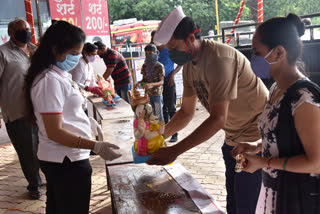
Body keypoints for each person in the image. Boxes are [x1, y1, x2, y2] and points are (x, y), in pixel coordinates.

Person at [147, 6, 268, 214]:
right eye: (167, 48)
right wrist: (157, 135)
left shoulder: (219, 58)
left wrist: (174, 150)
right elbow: (186, 112)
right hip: (233, 139)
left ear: (191, 37)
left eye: (173, 46)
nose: (171, 52)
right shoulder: (189, 67)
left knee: (247, 205)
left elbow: (217, 119)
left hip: (255, 138)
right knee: (234, 202)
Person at [24, 21, 121, 213]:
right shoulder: (49, 80)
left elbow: (67, 110)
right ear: (55, 49)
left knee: (59, 208)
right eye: (74, 53)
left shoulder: (59, 74)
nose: (77, 58)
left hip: (66, 159)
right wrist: (95, 146)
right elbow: (55, 132)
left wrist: (87, 122)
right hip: (65, 161)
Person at [232, 14, 320, 214]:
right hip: (276, 191)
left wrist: (264, 162)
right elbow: (284, 135)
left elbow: (317, 161)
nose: (252, 57)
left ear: (279, 53)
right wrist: (256, 146)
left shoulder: (303, 98)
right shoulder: (276, 89)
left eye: (257, 52)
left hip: (298, 199)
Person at [0, 18, 42, 200]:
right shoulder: (2, 53)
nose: (26, 31)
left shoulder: (35, 50)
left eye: (27, 28)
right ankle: (34, 184)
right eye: (21, 29)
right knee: (27, 150)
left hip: (40, 110)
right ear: (11, 33)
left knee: (42, 147)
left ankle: (41, 178)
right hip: (17, 112)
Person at [151, 30, 182, 142]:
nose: (155, 41)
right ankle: (165, 132)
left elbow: (181, 62)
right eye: (153, 39)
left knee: (171, 108)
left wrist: (173, 74)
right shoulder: (152, 51)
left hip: (169, 82)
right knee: (161, 109)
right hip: (157, 85)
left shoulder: (169, 50)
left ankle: (174, 133)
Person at [135, 43, 164, 122]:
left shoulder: (159, 66)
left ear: (155, 53)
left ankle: (161, 132)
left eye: (150, 53)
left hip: (156, 94)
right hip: (147, 95)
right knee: (150, 114)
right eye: (147, 53)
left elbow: (162, 82)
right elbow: (144, 80)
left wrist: (151, 84)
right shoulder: (144, 66)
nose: (148, 55)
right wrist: (138, 83)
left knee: (158, 114)